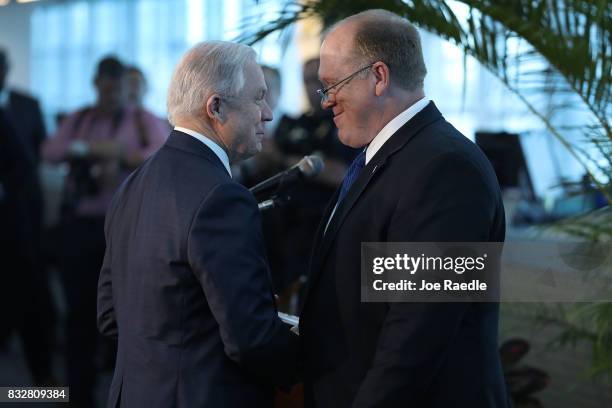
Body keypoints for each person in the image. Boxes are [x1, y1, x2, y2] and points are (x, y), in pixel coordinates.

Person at [299, 10, 509, 408]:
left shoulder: (446, 169)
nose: (325, 101)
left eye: (333, 86)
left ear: (379, 77)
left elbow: (416, 334)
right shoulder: (390, 157)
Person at [97, 41, 299, 408]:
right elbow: (250, 338)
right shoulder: (222, 198)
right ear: (216, 107)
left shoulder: (132, 184)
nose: (268, 113)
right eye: (258, 98)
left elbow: (111, 317)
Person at [41, 55, 168, 407]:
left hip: (129, 233)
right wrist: (87, 150)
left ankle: (124, 396)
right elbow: (49, 151)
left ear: (128, 87)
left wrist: (122, 154)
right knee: (79, 315)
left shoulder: (144, 121)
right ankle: (77, 398)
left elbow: (162, 155)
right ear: (96, 84)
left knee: (127, 318)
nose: (112, 93)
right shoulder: (80, 118)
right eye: (105, 85)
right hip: (82, 228)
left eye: (119, 87)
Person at [0, 48, 56, 387]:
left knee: (29, 290)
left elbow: (34, 158)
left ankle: (42, 379)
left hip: (21, 218)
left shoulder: (27, 105)